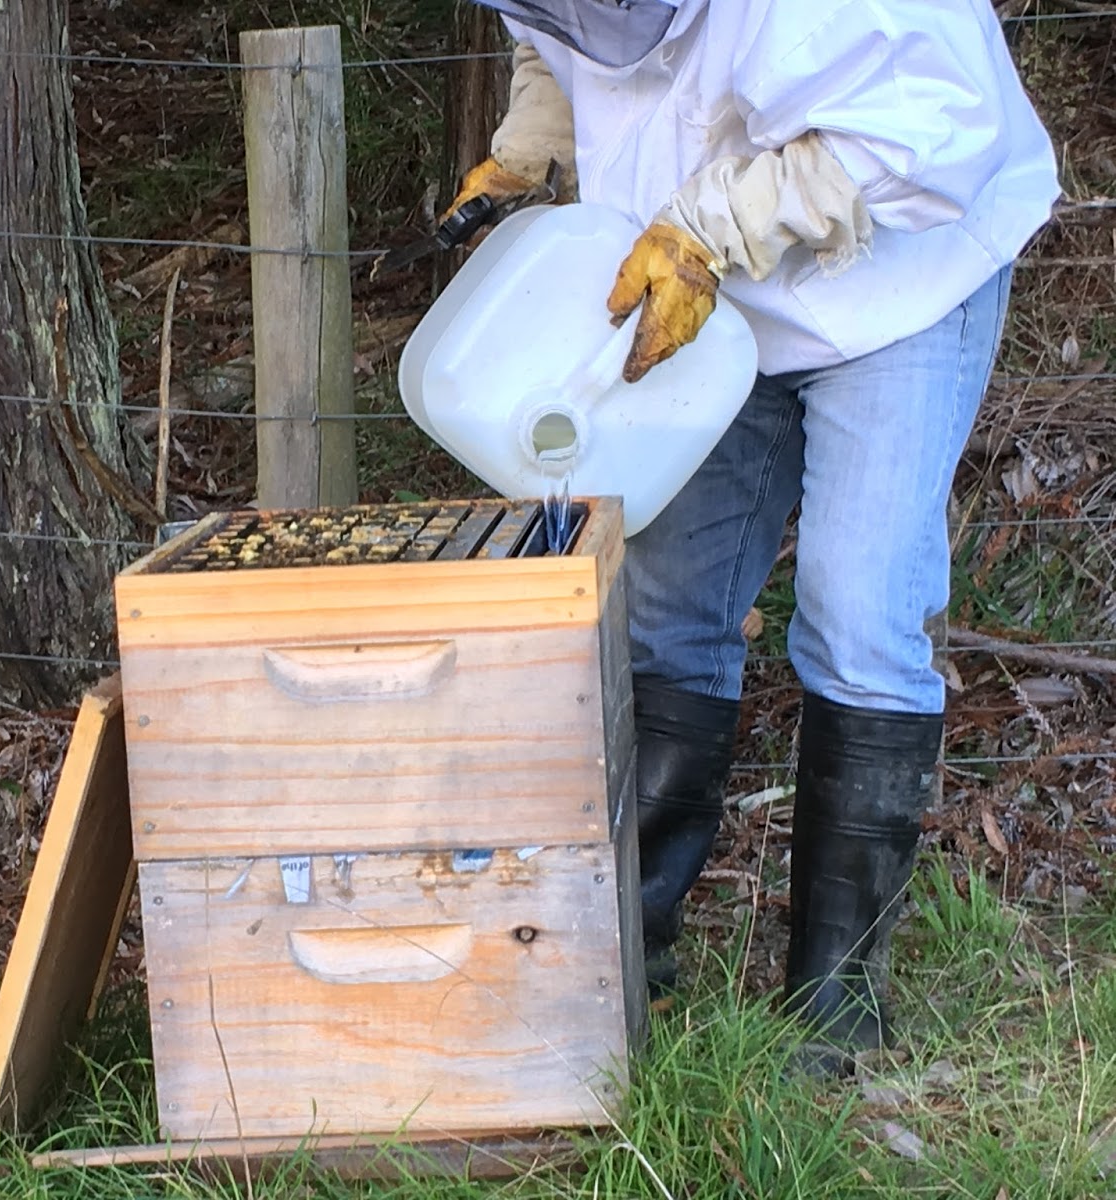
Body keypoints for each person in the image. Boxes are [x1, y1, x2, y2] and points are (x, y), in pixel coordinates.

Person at [451, 0, 1061, 1073]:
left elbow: (928, 131)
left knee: (857, 605)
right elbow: (550, 35)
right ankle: (622, 959)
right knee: (666, 608)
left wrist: (711, 229)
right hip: (694, 281)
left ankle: (836, 1003)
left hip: (897, 282)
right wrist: (530, 149)